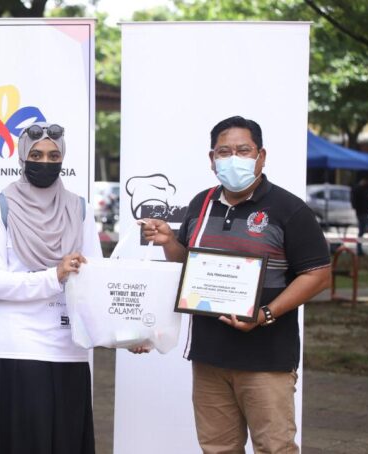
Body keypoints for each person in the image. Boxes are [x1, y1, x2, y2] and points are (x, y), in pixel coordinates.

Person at [141, 116, 331, 453]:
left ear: (261, 156)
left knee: (274, 448)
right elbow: (190, 267)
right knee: (218, 448)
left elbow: (318, 275)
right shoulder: (202, 203)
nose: (233, 159)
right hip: (209, 355)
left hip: (266, 358)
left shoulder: (289, 209)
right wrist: (169, 241)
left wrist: (265, 314)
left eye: (243, 150)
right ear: (212, 159)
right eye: (224, 152)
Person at [0, 122, 101, 454]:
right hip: (20, 345)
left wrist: (127, 333)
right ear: (22, 156)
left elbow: (95, 280)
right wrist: (53, 276)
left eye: (53, 155)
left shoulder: (79, 208)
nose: (44, 161)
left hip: (69, 345)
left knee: (66, 442)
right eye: (36, 154)